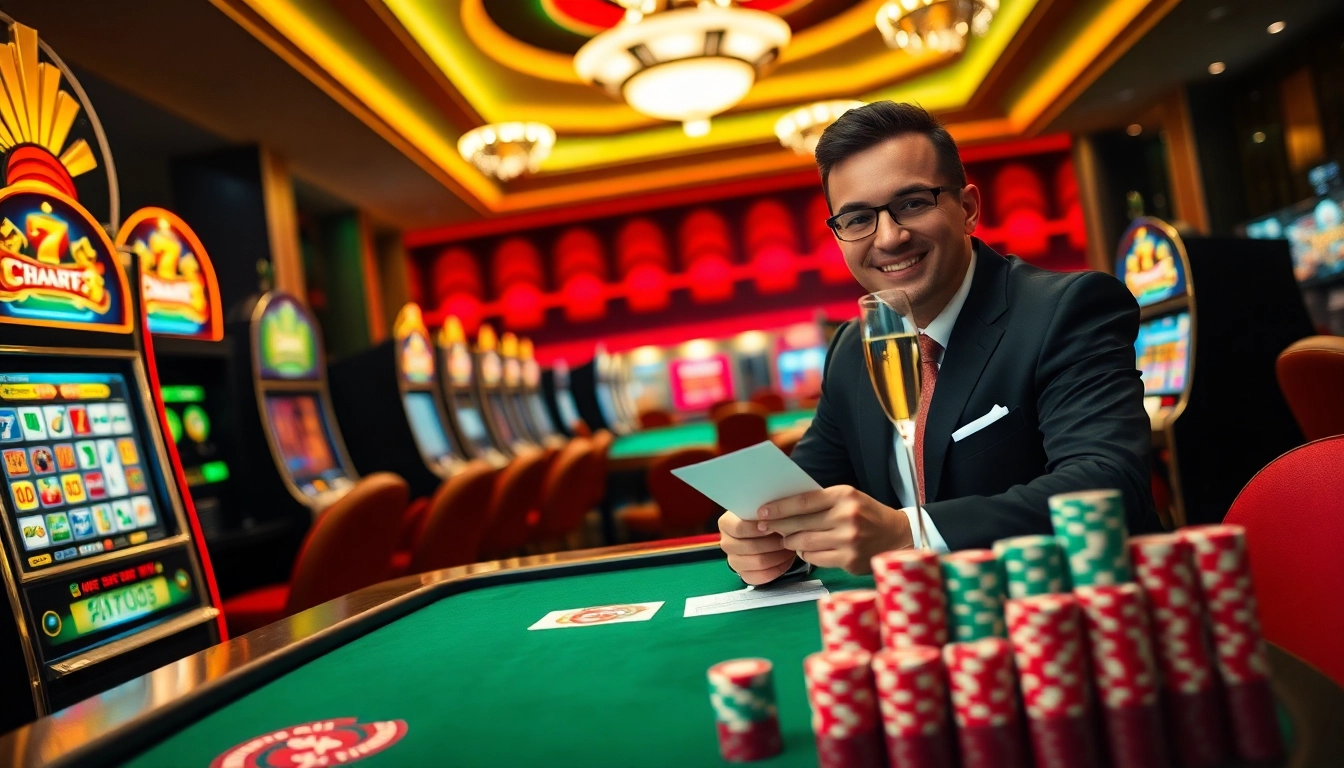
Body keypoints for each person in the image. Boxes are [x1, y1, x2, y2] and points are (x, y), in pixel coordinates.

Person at [720, 102, 1159, 585]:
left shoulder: (1067, 308)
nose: (889, 237)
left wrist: (908, 532)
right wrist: (765, 539)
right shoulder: (854, 348)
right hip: (918, 624)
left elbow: (1108, 485)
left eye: (912, 203)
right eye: (858, 218)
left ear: (968, 209)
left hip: (1069, 611)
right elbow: (804, 496)